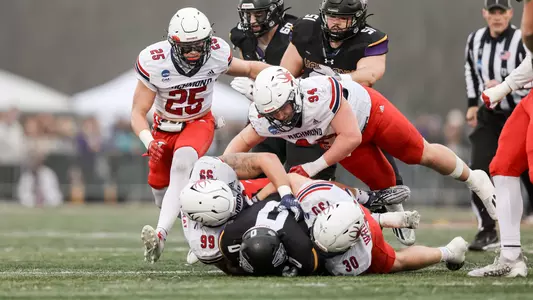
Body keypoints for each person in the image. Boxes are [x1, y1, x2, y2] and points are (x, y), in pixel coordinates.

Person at [225, 66, 498, 227]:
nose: (282, 117)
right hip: (339, 140)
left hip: (370, 116)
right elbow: (239, 146)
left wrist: (314, 165)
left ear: (295, 95)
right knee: (384, 184)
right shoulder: (267, 117)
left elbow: (352, 136)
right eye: (274, 113)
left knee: (419, 154)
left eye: (284, 108)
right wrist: (221, 170)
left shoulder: (318, 94)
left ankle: (475, 178)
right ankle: (398, 216)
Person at [233, 0, 411, 244]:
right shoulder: (305, 29)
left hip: (341, 109)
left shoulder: (367, 38)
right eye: (330, 17)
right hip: (295, 111)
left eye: (342, 17)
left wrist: (331, 82)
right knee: (294, 179)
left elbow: (369, 76)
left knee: (373, 163)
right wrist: (263, 93)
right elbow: (284, 73)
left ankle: (386, 203)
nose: (334, 24)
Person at [132, 7, 271, 263]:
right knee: (161, 192)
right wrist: (148, 141)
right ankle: (197, 234)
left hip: (199, 122)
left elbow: (251, 67)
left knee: (183, 164)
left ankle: (161, 235)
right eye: (187, 47)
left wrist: (282, 79)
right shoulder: (154, 60)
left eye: (200, 45)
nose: (195, 52)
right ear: (173, 44)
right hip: (163, 129)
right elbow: (138, 112)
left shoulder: (216, 54)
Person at [179, 152, 410, 267]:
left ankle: (368, 199)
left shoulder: (210, 169)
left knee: (298, 182)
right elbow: (234, 263)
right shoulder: (205, 242)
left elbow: (266, 159)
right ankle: (377, 219)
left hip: (252, 195)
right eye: (233, 206)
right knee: (308, 234)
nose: (238, 201)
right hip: (245, 225)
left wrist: (283, 193)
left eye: (233, 198)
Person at [240, 174, 462, 276]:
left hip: (363, 226)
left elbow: (319, 266)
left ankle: (449, 252)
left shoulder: (354, 260)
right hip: (345, 207)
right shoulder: (318, 198)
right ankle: (383, 218)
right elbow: (291, 177)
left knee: (398, 262)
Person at [230, 0, 337, 181]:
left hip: (302, 114)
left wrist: (259, 89)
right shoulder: (241, 36)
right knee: (258, 172)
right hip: (268, 114)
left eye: (259, 14)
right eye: (248, 15)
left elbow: (309, 77)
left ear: (274, 11)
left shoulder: (296, 32)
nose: (252, 20)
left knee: (304, 177)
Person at [467, 0, 533, 278]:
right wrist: (504, 88)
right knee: (502, 164)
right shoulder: (476, 41)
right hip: (527, 101)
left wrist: (505, 87)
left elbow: (529, 38)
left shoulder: (521, 33)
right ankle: (510, 256)